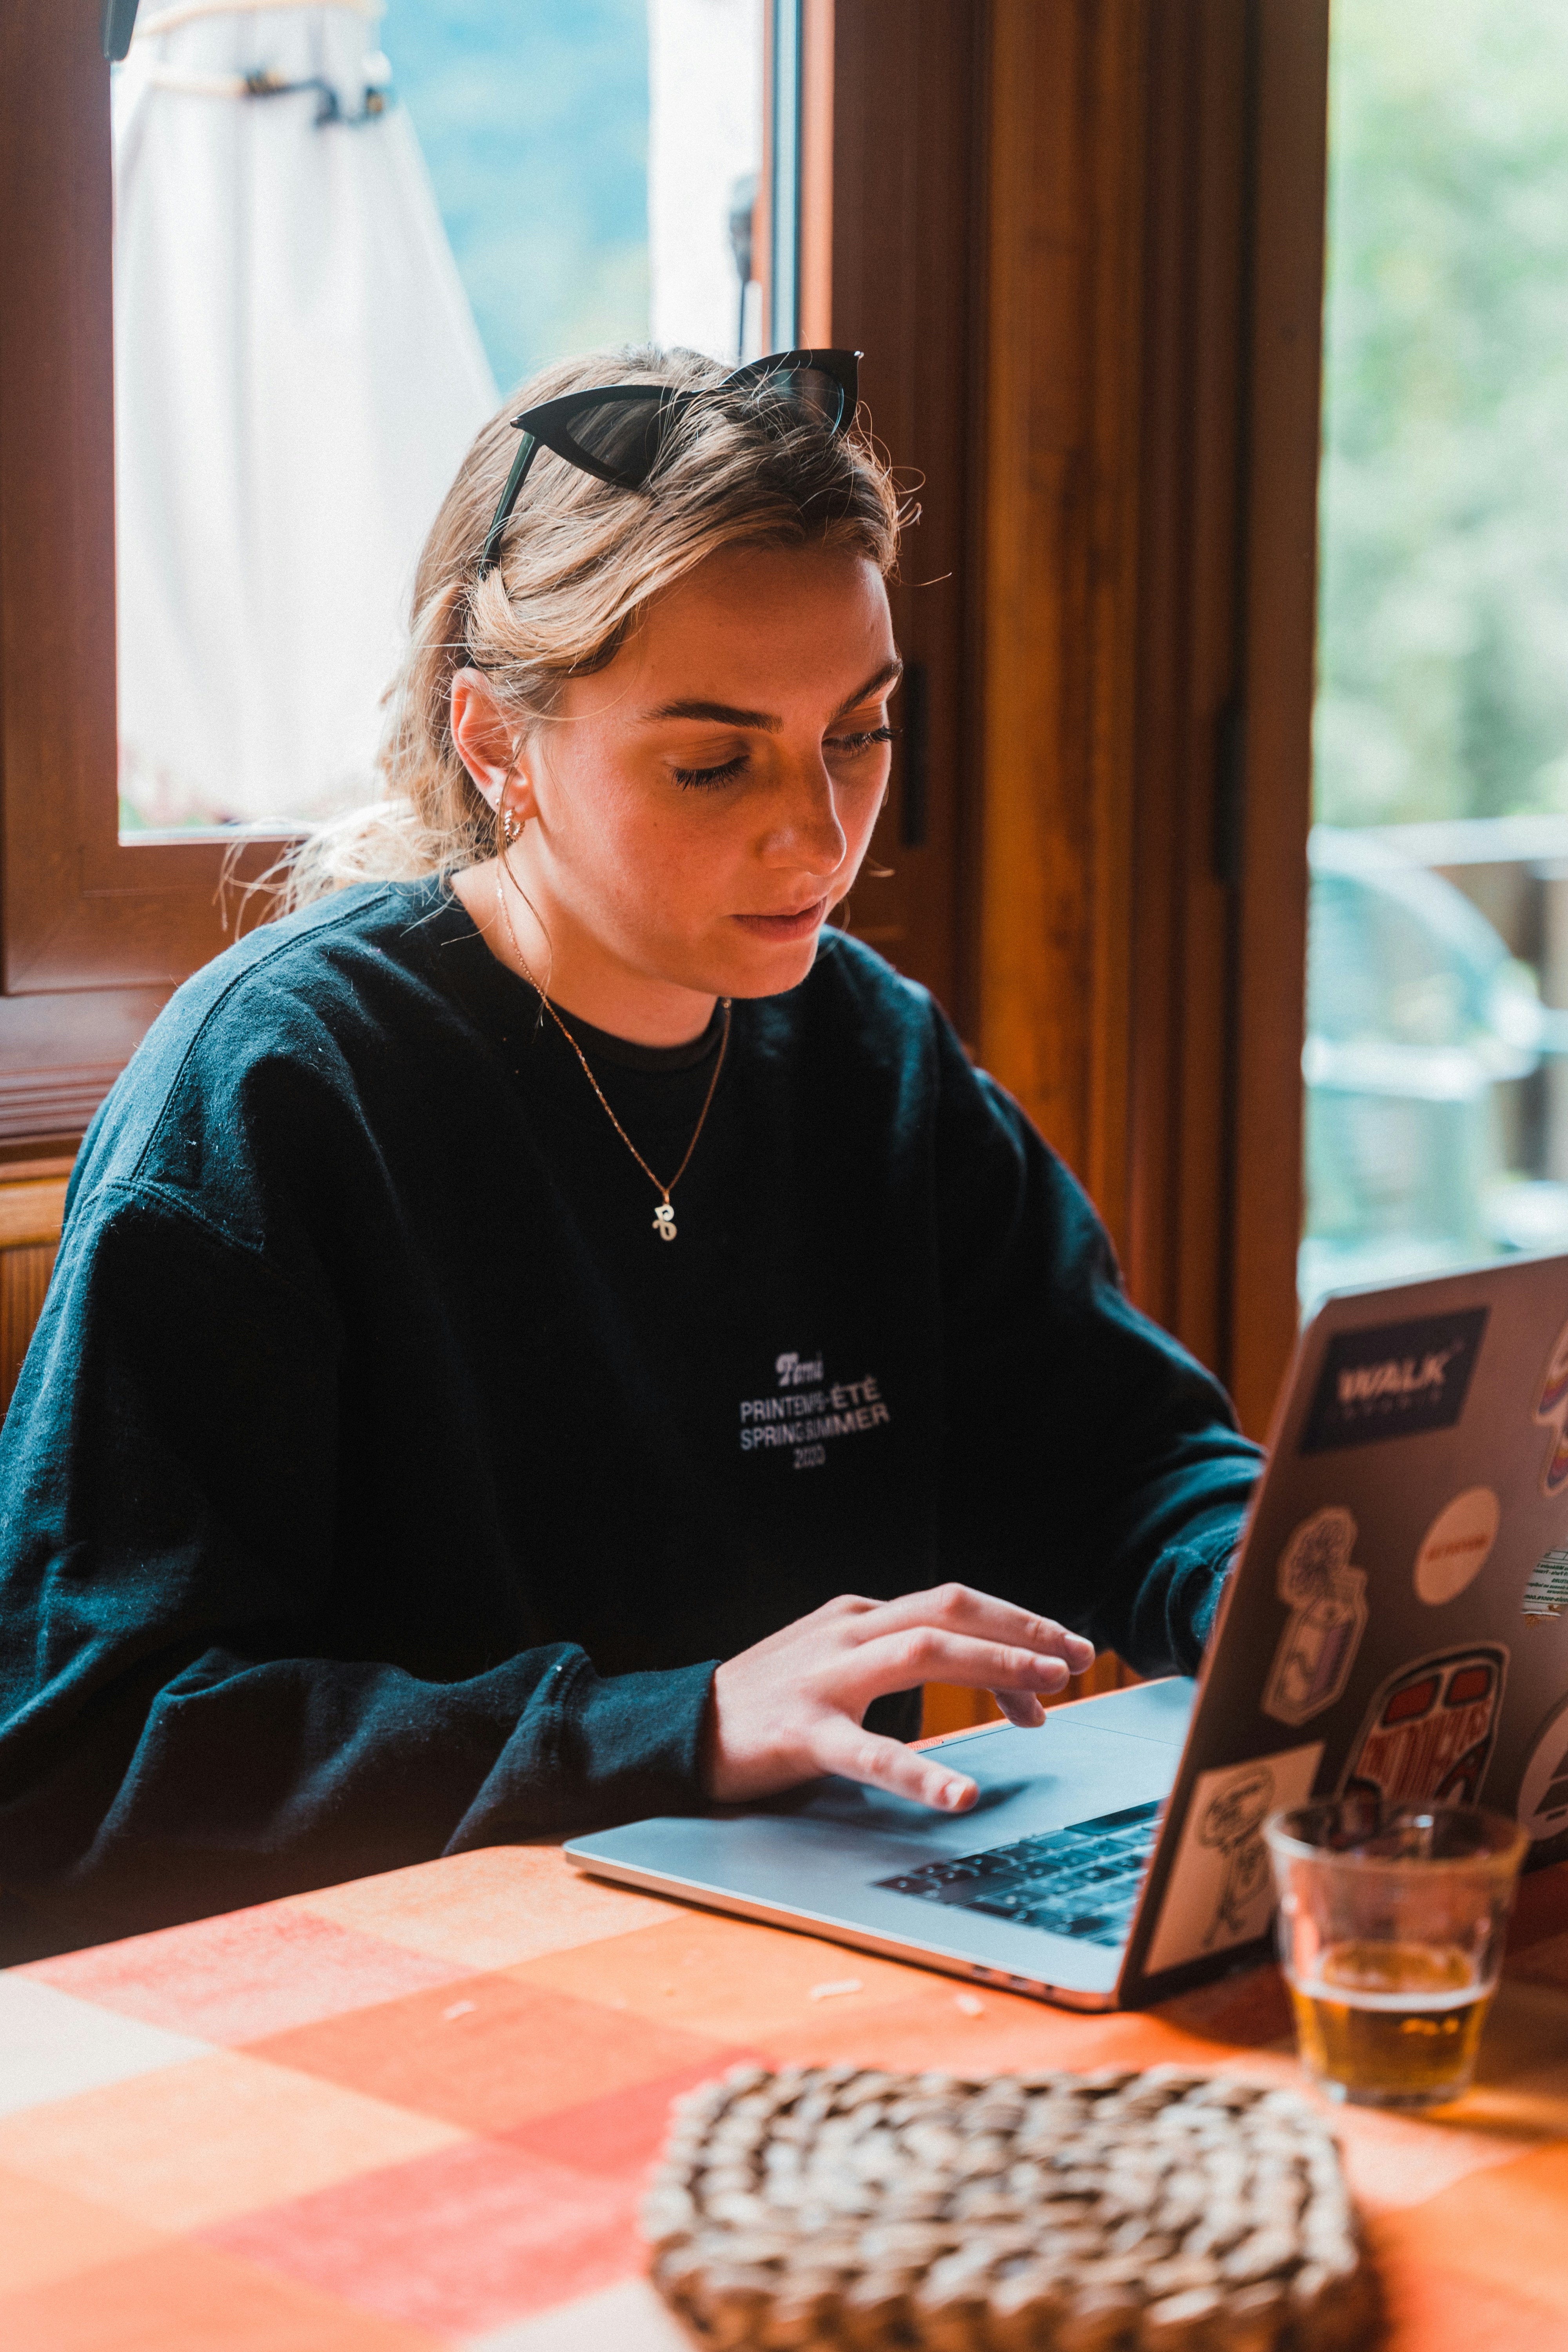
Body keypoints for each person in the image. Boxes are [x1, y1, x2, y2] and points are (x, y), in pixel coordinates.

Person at [0, 347, 1261, 1961]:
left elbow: (1120, 1464)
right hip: (401, 1986)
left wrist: (1282, 1593)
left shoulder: (872, 1056)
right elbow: (87, 1758)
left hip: (811, 1946)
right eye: (713, 761)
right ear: (494, 742)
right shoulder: (277, 1089)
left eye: (861, 733)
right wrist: (685, 1726)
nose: (816, 833)